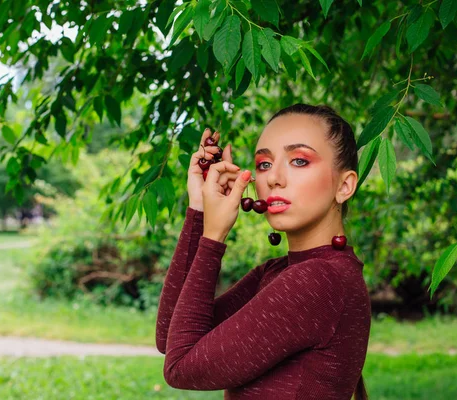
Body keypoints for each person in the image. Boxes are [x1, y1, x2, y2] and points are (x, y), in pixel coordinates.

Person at [155, 103, 371, 399]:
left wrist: (214, 236)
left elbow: (179, 367)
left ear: (345, 186)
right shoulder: (278, 272)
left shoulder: (318, 280)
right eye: (264, 164)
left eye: (298, 161)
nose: (273, 178)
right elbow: (170, 338)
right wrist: (200, 208)